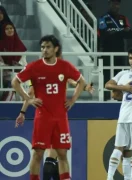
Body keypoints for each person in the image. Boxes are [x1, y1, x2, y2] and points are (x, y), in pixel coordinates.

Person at [11, 35, 86, 180]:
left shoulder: (64, 66)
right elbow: (15, 82)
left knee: (62, 153)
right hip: (42, 117)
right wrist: (29, 99)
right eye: (42, 47)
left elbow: (81, 82)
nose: (44, 50)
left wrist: (72, 100)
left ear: (56, 49)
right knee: (38, 153)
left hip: (60, 117)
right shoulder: (34, 66)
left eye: (48, 47)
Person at [98, 0, 132, 100]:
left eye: (117, 4)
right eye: (113, 3)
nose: (115, 6)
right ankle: (105, 98)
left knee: (120, 76)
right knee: (107, 76)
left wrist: (114, 31)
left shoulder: (123, 18)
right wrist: (121, 30)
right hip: (107, 52)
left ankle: (118, 98)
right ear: (109, 4)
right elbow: (103, 33)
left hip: (120, 53)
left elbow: (130, 34)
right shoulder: (103, 18)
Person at [0, 23, 27, 101]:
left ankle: (21, 100)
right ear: (3, 31)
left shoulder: (20, 45)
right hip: (3, 72)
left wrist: (18, 66)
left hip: (16, 71)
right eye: (7, 29)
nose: (9, 30)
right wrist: (5, 66)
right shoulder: (1, 45)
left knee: (19, 77)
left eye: (11, 28)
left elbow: (23, 62)